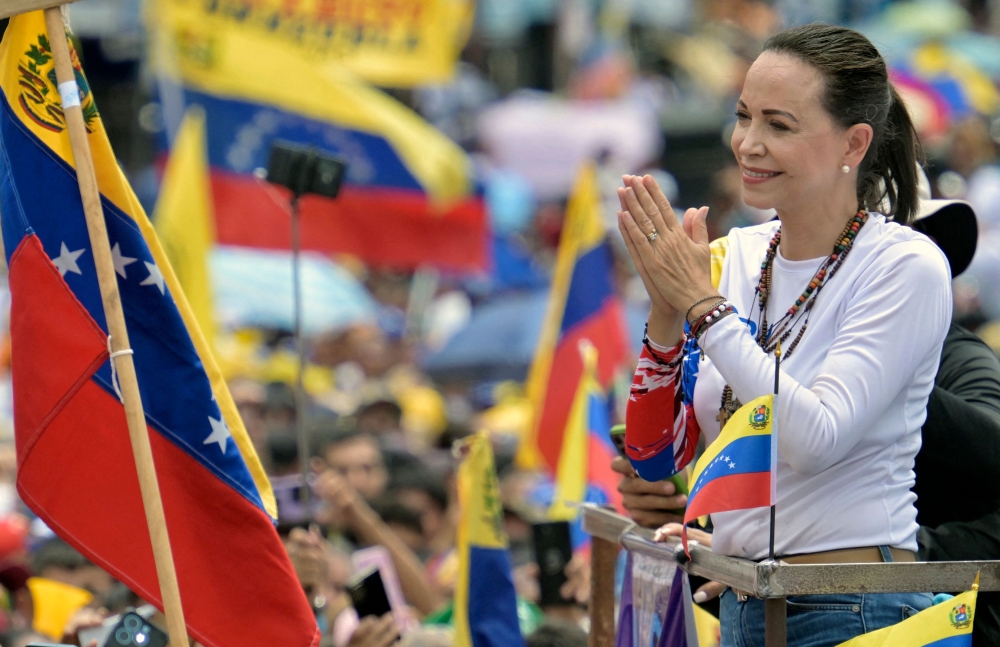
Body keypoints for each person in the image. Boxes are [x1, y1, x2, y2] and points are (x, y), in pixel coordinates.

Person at [616, 23, 951, 646]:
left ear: (854, 142)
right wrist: (666, 315)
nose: (748, 143)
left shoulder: (904, 265)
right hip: (747, 603)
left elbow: (816, 438)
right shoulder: (728, 256)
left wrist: (704, 310)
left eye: (779, 125)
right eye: (743, 116)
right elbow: (657, 458)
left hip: (855, 609)